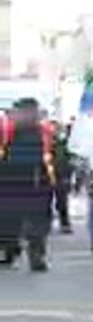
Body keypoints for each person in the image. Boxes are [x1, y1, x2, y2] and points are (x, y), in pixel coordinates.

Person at [0, 98, 58, 271]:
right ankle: (8, 251)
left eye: (30, 112)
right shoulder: (5, 133)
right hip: (9, 186)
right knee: (8, 223)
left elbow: (54, 159)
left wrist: (53, 184)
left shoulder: (45, 134)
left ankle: (36, 255)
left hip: (37, 186)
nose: (26, 116)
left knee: (38, 225)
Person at [52, 122, 74, 234]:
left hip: (60, 176)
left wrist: (68, 175)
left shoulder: (63, 144)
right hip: (46, 176)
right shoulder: (45, 142)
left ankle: (64, 223)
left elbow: (68, 161)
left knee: (62, 201)